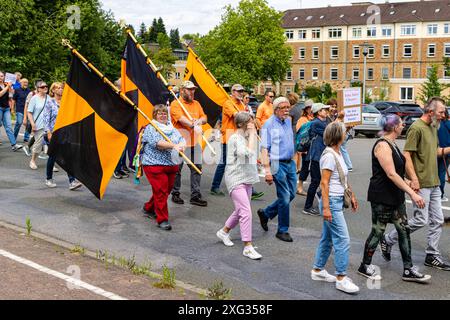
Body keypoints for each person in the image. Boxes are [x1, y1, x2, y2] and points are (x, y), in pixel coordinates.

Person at [358, 114, 431, 283]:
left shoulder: (393, 144)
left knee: (404, 230)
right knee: (378, 231)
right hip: (382, 197)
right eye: (401, 123)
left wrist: (409, 182)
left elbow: (397, 174)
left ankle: (408, 269)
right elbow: (390, 174)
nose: (403, 125)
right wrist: (412, 193)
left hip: (395, 196)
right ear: (393, 127)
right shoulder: (383, 145)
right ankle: (364, 265)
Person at [381, 97, 450, 271]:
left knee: (438, 220)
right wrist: (414, 179)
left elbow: (434, 152)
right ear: (430, 112)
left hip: (434, 182)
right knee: (421, 219)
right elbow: (407, 155)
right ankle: (388, 239)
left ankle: (431, 255)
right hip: (422, 183)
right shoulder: (416, 128)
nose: (444, 115)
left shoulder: (433, 127)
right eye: (441, 112)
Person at [311, 121, 360, 294]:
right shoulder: (329, 155)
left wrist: (351, 195)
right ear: (338, 135)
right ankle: (341, 278)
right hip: (331, 201)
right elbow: (324, 183)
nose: (347, 133)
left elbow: (342, 178)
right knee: (343, 240)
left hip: (338, 199)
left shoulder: (338, 153)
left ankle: (317, 270)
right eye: (345, 131)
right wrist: (325, 208)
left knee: (328, 238)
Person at [216, 112, 262, 259]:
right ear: (242, 124)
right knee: (246, 212)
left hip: (247, 178)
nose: (253, 123)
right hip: (236, 179)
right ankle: (247, 246)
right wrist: (253, 135)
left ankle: (223, 232)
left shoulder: (247, 137)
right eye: (251, 121)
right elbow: (245, 153)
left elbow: (254, 153)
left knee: (240, 210)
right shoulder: (236, 138)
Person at [256, 97, 296, 242]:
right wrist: (267, 171)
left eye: (288, 107)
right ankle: (282, 230)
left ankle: (266, 213)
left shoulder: (288, 120)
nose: (287, 110)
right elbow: (264, 149)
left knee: (291, 195)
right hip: (276, 164)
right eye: (284, 107)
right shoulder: (268, 125)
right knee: (285, 196)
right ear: (276, 109)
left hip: (290, 163)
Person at [141, 104, 186, 231]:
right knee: (161, 191)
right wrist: (174, 145)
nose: (163, 115)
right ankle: (162, 219)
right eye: (160, 113)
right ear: (155, 115)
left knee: (165, 191)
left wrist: (182, 145)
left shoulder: (172, 128)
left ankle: (149, 208)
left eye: (165, 113)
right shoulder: (151, 128)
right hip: (154, 164)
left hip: (171, 164)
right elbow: (158, 143)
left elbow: (182, 139)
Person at [170, 80, 208, 207]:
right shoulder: (176, 104)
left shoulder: (196, 103)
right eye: (189, 89)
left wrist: (198, 121)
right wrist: (192, 124)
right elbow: (181, 119)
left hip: (193, 143)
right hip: (180, 143)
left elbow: (204, 117)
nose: (192, 92)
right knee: (177, 170)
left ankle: (195, 195)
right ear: (182, 91)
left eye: (193, 89)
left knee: (197, 168)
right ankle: (175, 193)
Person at [43, 82, 82, 190]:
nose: (60, 89)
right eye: (58, 88)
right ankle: (49, 178)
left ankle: (72, 181)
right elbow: (46, 119)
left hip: (65, 133)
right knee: (53, 156)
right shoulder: (50, 102)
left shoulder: (66, 102)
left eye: (61, 88)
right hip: (53, 133)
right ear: (53, 90)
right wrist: (49, 132)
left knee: (69, 156)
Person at [210, 84, 247, 196]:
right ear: (233, 92)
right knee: (224, 163)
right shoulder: (228, 103)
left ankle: (246, 186)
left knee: (242, 162)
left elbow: (245, 119)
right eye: (239, 91)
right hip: (229, 137)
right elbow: (238, 117)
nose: (241, 93)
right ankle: (214, 186)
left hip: (239, 137)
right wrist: (246, 115)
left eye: (242, 91)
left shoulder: (241, 104)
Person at [303, 103, 330, 216]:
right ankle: (307, 206)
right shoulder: (316, 123)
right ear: (318, 112)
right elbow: (331, 132)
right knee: (315, 181)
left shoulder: (326, 121)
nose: (326, 111)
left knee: (324, 180)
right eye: (324, 110)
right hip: (316, 156)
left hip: (323, 156)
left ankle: (320, 195)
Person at [27, 80, 50, 169]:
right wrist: (33, 124)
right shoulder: (34, 98)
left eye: (46, 86)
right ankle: (32, 160)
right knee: (38, 144)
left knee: (51, 145)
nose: (45, 88)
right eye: (42, 87)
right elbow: (29, 112)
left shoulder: (49, 98)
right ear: (38, 89)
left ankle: (51, 163)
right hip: (38, 125)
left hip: (49, 125)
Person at [0, 71, 23, 151]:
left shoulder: (6, 84)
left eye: (2, 76)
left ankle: (14, 144)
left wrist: (10, 87)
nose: (1, 77)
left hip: (6, 108)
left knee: (9, 127)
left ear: (4, 77)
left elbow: (12, 94)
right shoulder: (4, 86)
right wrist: (7, 87)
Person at [295, 99, 314, 195]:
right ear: (306, 109)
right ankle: (300, 187)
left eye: (312, 107)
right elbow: (300, 134)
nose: (311, 109)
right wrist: (302, 148)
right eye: (309, 108)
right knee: (305, 167)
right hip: (306, 148)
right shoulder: (302, 120)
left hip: (314, 148)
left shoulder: (314, 118)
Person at [437, 108, 450, 202]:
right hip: (446, 151)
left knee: (435, 172)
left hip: (436, 150)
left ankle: (436, 194)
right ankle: (440, 195)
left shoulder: (435, 124)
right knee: (441, 172)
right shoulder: (448, 124)